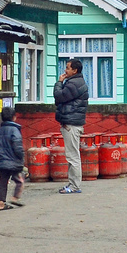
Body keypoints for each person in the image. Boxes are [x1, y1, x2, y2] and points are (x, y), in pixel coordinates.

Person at [53, 58, 89, 194]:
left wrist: (59, 83)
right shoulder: (76, 82)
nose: (65, 70)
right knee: (72, 155)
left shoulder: (74, 84)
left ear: (75, 70)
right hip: (73, 122)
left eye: (67, 68)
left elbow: (59, 96)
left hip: (72, 124)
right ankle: (72, 183)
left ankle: (74, 186)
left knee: (73, 156)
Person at [0, 105, 26, 209]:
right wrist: (21, 158)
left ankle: (1, 204)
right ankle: (15, 197)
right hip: (13, 161)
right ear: (14, 117)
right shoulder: (15, 131)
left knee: (2, 182)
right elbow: (18, 147)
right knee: (19, 180)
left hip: (1, 161)